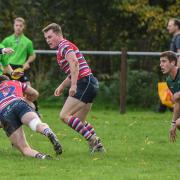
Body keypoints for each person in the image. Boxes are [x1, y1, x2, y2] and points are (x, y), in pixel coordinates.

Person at [42, 23, 105, 153]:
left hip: (84, 82)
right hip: (90, 82)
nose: (48, 40)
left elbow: (74, 63)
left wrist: (74, 85)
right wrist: (62, 86)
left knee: (64, 115)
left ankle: (93, 139)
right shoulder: (62, 47)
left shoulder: (64, 46)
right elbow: (73, 70)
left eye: (50, 37)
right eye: (46, 38)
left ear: (58, 34)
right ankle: (98, 147)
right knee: (80, 120)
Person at [0, 75, 62, 159]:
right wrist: (28, 100)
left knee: (24, 148)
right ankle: (48, 132)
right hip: (19, 103)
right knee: (36, 124)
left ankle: (42, 157)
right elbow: (34, 93)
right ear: (8, 80)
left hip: (4, 113)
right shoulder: (15, 82)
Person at [1, 17, 38, 110]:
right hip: (8, 67)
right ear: (13, 26)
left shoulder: (28, 42)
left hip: (19, 68)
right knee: (7, 91)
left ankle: (34, 109)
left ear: (23, 27)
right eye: (16, 25)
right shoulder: (7, 40)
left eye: (20, 26)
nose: (18, 27)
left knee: (30, 89)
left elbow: (32, 55)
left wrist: (27, 63)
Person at [158, 18, 180, 113]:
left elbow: (179, 54)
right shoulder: (175, 37)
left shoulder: (179, 37)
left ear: (176, 26)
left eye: (170, 25)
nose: (168, 28)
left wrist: (177, 69)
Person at [160, 51, 180, 142]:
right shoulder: (169, 81)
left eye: (164, 61)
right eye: (160, 62)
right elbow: (177, 103)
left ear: (173, 63)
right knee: (178, 123)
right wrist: (173, 124)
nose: (161, 65)